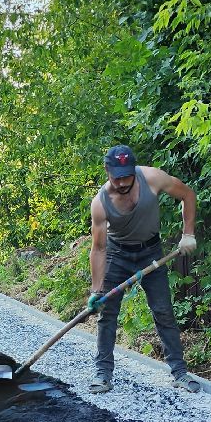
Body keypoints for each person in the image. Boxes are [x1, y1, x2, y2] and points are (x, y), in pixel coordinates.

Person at [87, 144, 200, 394]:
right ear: (108, 171)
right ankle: (102, 374)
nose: (124, 182)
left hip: (151, 252)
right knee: (107, 314)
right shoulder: (100, 203)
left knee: (163, 311)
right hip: (118, 255)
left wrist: (188, 233)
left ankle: (180, 372)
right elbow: (99, 249)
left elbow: (188, 195)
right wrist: (96, 290)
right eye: (118, 177)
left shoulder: (153, 178)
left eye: (127, 175)